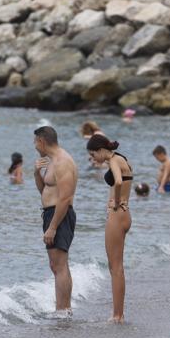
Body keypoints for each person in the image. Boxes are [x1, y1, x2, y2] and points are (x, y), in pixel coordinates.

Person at [87, 135, 133, 322]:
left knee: (115, 268)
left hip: (117, 215)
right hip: (125, 213)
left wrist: (114, 202)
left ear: (100, 150)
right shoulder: (122, 158)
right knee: (117, 267)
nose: (93, 159)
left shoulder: (113, 161)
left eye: (92, 154)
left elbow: (119, 181)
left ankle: (117, 315)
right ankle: (118, 313)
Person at [34, 126, 78, 312]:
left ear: (42, 141)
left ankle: (63, 310)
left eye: (35, 142)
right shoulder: (51, 161)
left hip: (59, 215)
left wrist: (52, 227)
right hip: (51, 213)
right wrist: (37, 173)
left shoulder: (63, 161)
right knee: (56, 265)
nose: (35, 146)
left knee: (59, 265)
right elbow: (45, 191)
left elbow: (65, 198)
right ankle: (62, 309)